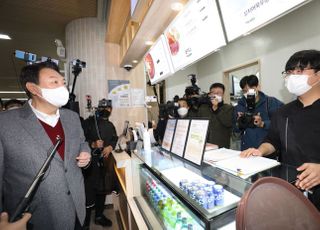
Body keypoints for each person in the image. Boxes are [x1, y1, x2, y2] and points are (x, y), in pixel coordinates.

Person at [0, 61, 91, 230]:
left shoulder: (71, 118)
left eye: (63, 82)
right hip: (34, 220)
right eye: (54, 82)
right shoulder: (5, 124)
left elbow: (82, 143)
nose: (62, 87)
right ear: (34, 88)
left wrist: (86, 153)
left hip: (77, 210)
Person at [241, 49, 320, 211]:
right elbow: (273, 140)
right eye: (289, 72)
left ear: (318, 74)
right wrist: (260, 150)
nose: (292, 77)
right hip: (291, 188)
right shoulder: (283, 112)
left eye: (299, 71)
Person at [82, 99, 118, 228]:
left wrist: (110, 147)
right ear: (98, 109)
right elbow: (80, 140)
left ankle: (98, 215)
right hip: (90, 164)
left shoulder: (110, 125)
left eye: (109, 108)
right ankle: (84, 222)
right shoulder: (88, 123)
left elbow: (114, 138)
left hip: (105, 163)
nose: (106, 111)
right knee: (88, 192)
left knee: (102, 190)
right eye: (104, 108)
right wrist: (93, 144)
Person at [233, 75, 283, 150]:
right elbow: (235, 129)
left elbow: (281, 123)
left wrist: (263, 124)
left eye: (251, 89)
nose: (249, 92)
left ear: (258, 87)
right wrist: (240, 123)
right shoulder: (240, 105)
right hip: (246, 149)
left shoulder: (271, 102)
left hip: (266, 150)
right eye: (245, 91)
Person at [198, 83, 233, 148]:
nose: (215, 95)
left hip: (221, 145)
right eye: (213, 93)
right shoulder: (203, 108)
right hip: (205, 145)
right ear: (210, 94)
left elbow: (228, 123)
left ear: (223, 95)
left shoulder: (228, 108)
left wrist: (216, 109)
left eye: (218, 93)